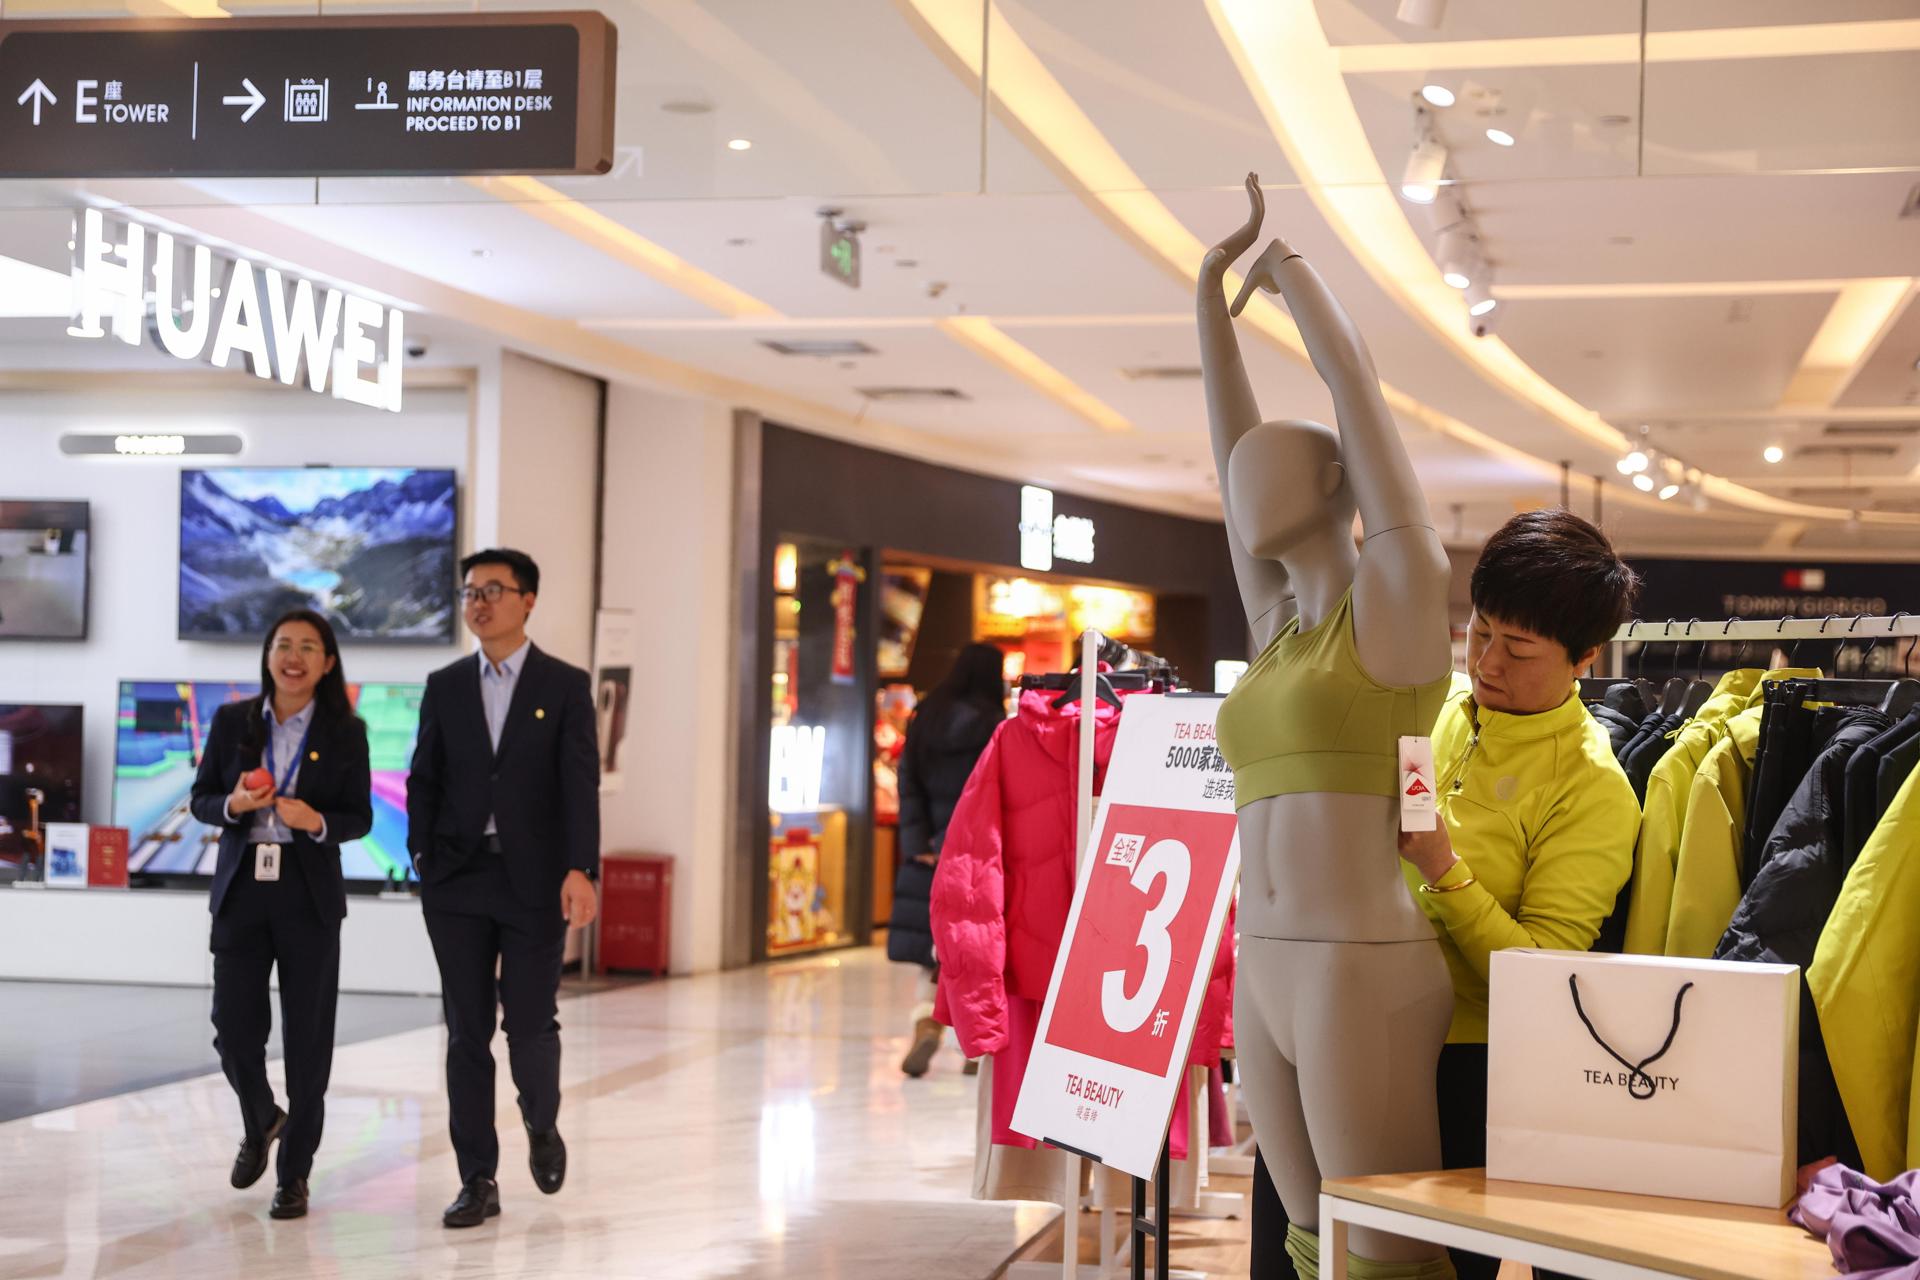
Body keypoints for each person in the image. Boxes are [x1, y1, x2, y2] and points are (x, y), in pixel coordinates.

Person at [1397, 508, 1642, 1280]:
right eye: (1479, 633)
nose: (1488, 662)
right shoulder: (1435, 714)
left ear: (1584, 659)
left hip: (1474, 1069)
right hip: (1371, 1034)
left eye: (1518, 647)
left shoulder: (1593, 787)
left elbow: (1545, 974)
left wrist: (1445, 869)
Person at [407, 548, 601, 1228]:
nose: (479, 602)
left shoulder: (565, 686)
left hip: (534, 882)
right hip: (457, 878)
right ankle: (476, 1179)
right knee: (466, 1032)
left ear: (528, 600)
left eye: (494, 589)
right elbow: (423, 778)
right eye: (470, 592)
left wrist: (584, 868)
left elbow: (580, 786)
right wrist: (423, 856)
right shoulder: (445, 684)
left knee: (528, 1023)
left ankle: (541, 1123)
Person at [191, 609, 372, 1221]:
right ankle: (261, 1117)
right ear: (268, 655)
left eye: (308, 648)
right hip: (243, 891)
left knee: (308, 1042)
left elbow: (360, 818)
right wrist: (235, 805)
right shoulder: (231, 721)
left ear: (327, 663)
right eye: (283, 645)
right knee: (234, 1030)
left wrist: (314, 821)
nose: (293, 657)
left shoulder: (347, 733)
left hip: (308, 894)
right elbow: (201, 801)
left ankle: (294, 1175)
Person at [888, 643, 1005, 1078]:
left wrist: (920, 839)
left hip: (925, 856)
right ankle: (971, 1047)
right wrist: (955, 840)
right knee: (971, 950)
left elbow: (907, 782)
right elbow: (986, 792)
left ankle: (925, 1022)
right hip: (972, 853)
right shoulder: (994, 724)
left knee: (929, 950)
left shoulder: (926, 715)